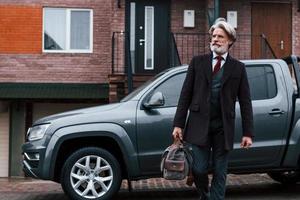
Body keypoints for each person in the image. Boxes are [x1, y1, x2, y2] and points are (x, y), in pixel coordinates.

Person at [172, 18, 254, 200]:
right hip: (198, 124)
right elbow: (185, 94)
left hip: (223, 127)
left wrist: (248, 133)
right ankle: (205, 195)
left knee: (220, 171)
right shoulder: (197, 62)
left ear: (230, 41)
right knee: (199, 168)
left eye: (220, 37)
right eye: (214, 36)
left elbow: (245, 101)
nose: (215, 39)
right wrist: (178, 124)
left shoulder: (238, 68)